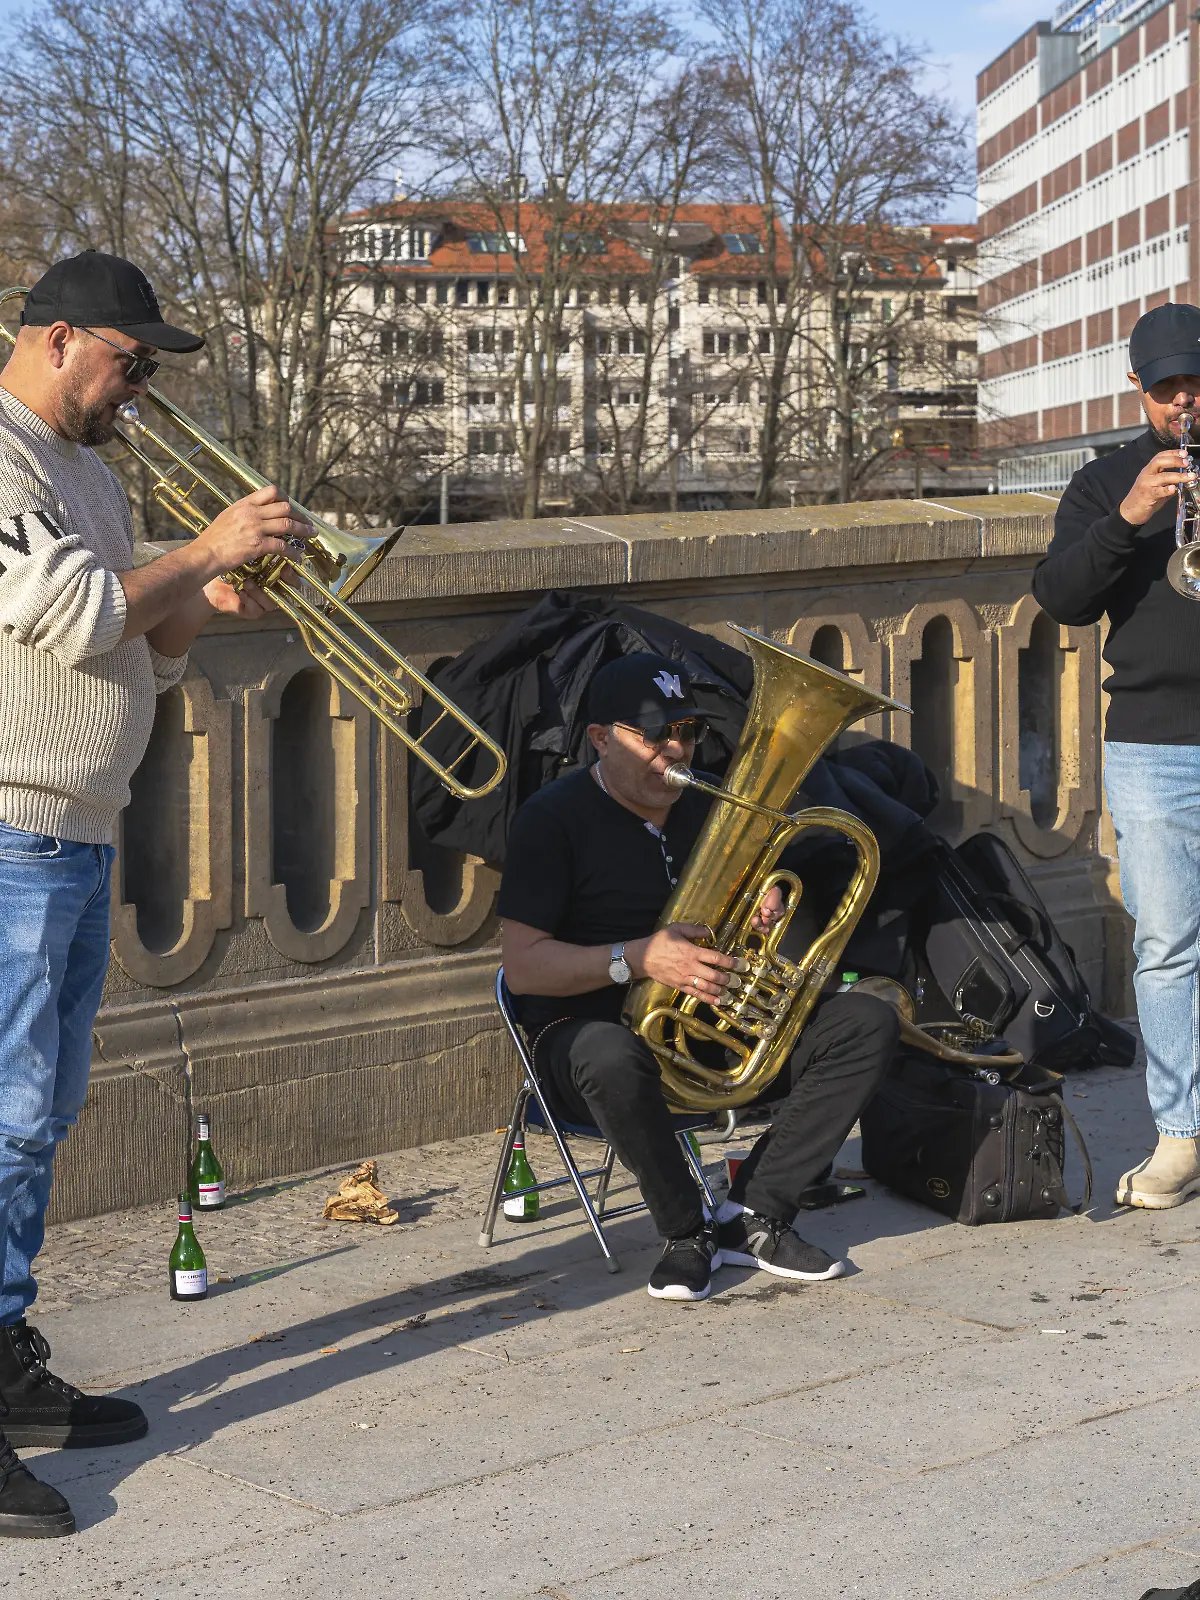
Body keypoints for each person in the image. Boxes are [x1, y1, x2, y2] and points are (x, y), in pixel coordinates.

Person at [0, 249, 309, 1539]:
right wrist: (206, 543)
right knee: (4, 1110)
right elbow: (69, 618)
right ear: (61, 338)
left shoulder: (97, 474)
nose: (140, 390)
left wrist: (206, 595)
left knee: (43, 1110)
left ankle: (5, 1360)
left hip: (79, 829)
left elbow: (142, 643)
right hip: (10, 831)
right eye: (131, 363)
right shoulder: (5, 458)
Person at [497, 651, 899, 1303]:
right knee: (609, 1052)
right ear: (600, 738)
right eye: (656, 735)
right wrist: (637, 958)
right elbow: (523, 966)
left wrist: (757, 912)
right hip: (584, 1042)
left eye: (687, 731)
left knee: (867, 1020)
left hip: (702, 1028)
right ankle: (688, 1232)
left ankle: (754, 1213)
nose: (676, 749)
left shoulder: (708, 800)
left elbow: (740, 913)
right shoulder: (551, 820)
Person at [1033, 301, 1200, 1212]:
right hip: (1154, 746)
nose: (1187, 401)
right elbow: (1060, 598)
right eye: (1169, 385)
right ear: (1137, 387)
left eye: (1197, 383)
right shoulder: (1104, 483)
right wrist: (1132, 516)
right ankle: (1181, 1136)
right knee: (1168, 947)